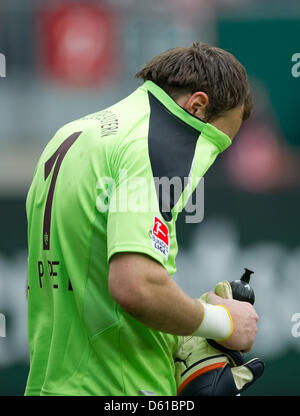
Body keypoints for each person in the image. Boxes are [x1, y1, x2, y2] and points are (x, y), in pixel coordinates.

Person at [25, 42, 258, 396]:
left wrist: (175, 333)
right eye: (218, 145)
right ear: (197, 106)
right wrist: (222, 323)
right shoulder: (155, 144)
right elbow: (135, 285)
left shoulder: (74, 134)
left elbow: (84, 284)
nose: (210, 159)